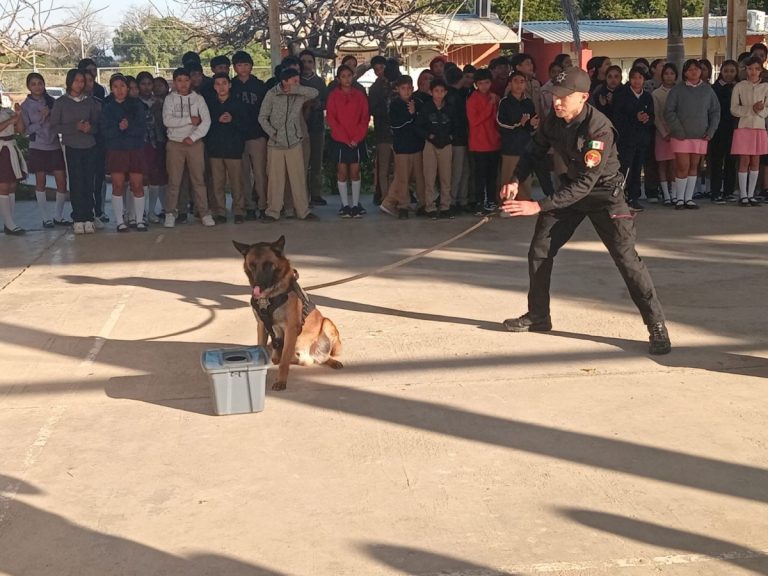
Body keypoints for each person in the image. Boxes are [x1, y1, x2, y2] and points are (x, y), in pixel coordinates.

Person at [499, 66, 671, 356]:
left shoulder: (598, 128)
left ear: (583, 97)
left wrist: (538, 205)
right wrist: (516, 179)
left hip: (605, 195)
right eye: (554, 95)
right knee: (540, 250)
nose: (557, 102)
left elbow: (586, 183)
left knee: (627, 261)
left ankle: (656, 326)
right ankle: (539, 315)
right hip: (573, 191)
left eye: (564, 97)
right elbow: (533, 150)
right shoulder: (554, 119)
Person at [258, 67, 319, 222]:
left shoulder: (300, 94)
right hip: (275, 143)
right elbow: (262, 117)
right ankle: (272, 211)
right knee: (275, 179)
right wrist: (273, 133)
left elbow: (314, 93)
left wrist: (298, 89)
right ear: (284, 81)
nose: (297, 83)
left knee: (298, 177)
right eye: (294, 80)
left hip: (294, 141)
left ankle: (303, 211)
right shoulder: (271, 94)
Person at [664, 59, 720, 209]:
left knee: (694, 166)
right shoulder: (677, 90)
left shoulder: (707, 89)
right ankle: (679, 199)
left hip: (700, 135)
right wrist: (678, 129)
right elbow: (669, 111)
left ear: (701, 71)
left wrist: (710, 131)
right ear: (685, 73)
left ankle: (688, 198)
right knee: (683, 166)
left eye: (696, 69)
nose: (693, 72)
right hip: (680, 136)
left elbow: (715, 111)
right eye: (690, 69)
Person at [50, 68, 101, 234]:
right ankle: (78, 217)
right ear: (69, 82)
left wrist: (90, 128)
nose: (79, 84)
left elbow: (98, 125)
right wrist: (74, 127)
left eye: (82, 81)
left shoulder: (91, 102)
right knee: (76, 182)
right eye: (76, 81)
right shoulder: (61, 103)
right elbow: (54, 126)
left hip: (89, 146)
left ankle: (89, 216)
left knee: (89, 183)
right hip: (72, 146)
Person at [162, 67, 213, 228]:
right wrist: (189, 120)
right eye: (179, 81)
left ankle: (204, 213)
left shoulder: (198, 99)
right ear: (174, 82)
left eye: (186, 80)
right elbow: (167, 121)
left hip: (195, 144)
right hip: (175, 144)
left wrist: (193, 137)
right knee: (174, 181)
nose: (183, 84)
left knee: (198, 180)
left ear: (190, 81)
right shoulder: (169, 99)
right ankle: (170, 212)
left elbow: (206, 121)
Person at [19, 72, 70, 228]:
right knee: (40, 181)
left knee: (61, 180)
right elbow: (25, 130)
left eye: (39, 83)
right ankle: (45, 217)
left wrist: (52, 115)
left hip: (54, 145)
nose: (37, 87)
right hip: (38, 147)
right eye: (33, 84)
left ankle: (58, 216)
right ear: (28, 87)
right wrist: (42, 119)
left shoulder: (52, 102)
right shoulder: (25, 106)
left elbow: (61, 121)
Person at [102, 74, 147, 232]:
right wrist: (119, 128)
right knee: (118, 185)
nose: (119, 90)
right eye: (115, 86)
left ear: (128, 88)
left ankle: (139, 220)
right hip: (116, 149)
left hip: (135, 147)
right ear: (111, 89)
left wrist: (129, 127)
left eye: (122, 86)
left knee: (137, 184)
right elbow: (105, 130)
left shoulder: (137, 105)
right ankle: (120, 221)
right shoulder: (107, 108)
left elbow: (142, 127)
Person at [326, 64, 369, 218]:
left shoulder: (360, 95)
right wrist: (345, 138)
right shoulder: (333, 96)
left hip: (356, 140)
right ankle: (345, 205)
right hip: (340, 140)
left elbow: (365, 118)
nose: (347, 79)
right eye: (343, 76)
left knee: (355, 172)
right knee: (342, 172)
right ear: (338, 78)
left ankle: (356, 205)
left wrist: (357, 138)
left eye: (349, 76)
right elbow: (331, 118)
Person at [379, 75, 425, 219]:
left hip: (417, 145)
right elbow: (396, 125)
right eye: (403, 88)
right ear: (397, 89)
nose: (406, 91)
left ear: (413, 88)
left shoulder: (417, 102)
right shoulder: (395, 104)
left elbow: (422, 121)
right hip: (402, 147)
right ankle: (403, 206)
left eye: (409, 88)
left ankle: (422, 204)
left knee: (419, 176)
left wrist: (415, 113)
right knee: (403, 177)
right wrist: (411, 115)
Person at [230, 50, 268, 221]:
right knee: (243, 174)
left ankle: (263, 205)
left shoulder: (260, 85)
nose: (243, 68)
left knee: (260, 174)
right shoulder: (231, 86)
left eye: (246, 65)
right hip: (238, 137)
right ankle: (249, 206)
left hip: (257, 135)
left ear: (251, 66)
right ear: (234, 67)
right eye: (239, 65)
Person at [206, 73, 247, 222]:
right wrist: (217, 120)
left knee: (236, 182)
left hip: (234, 148)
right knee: (217, 183)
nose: (221, 87)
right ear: (214, 87)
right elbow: (205, 125)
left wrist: (233, 119)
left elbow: (245, 125)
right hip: (215, 148)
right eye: (218, 84)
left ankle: (239, 211)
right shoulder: (209, 103)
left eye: (224, 83)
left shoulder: (238, 103)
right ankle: (220, 212)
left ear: (229, 85)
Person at [613, 66, 655, 212]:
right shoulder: (622, 94)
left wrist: (646, 118)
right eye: (634, 77)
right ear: (629, 79)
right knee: (625, 168)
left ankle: (634, 197)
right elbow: (617, 117)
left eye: (640, 78)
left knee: (637, 169)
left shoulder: (647, 97)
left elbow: (652, 116)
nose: (637, 81)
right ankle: (620, 197)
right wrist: (634, 117)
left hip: (641, 139)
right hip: (626, 139)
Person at [730, 56, 768, 207]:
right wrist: (750, 109)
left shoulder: (765, 87)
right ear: (745, 69)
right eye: (750, 68)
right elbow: (733, 109)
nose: (753, 72)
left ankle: (751, 194)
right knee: (744, 160)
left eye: (757, 69)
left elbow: (767, 110)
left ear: (761, 70)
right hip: (744, 126)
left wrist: (760, 110)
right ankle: (743, 195)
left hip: (759, 127)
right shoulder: (739, 86)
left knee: (755, 161)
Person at [417, 77, 456, 219]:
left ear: (445, 92)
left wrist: (451, 137)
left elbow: (456, 126)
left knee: (446, 176)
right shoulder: (426, 108)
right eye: (436, 91)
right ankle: (430, 207)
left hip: (446, 145)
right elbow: (418, 127)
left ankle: (445, 206)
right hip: (430, 145)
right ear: (430, 92)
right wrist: (429, 136)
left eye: (441, 91)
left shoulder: (450, 108)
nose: (439, 94)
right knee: (429, 176)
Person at [497, 71, 538, 200]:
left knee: (525, 177)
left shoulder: (528, 103)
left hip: (525, 145)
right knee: (508, 177)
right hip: (510, 146)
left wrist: (532, 124)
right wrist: (519, 124)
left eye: (522, 81)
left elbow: (530, 126)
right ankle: (506, 204)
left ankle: (524, 201)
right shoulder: (504, 102)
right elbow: (501, 123)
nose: (519, 85)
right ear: (509, 84)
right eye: (515, 81)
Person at [467, 68, 501, 215]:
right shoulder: (472, 99)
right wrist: (490, 105)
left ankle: (491, 201)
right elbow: (474, 121)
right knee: (479, 176)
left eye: (487, 82)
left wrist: (494, 103)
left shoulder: (495, 98)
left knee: (492, 175)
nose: (484, 86)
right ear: (476, 84)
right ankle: (479, 202)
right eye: (481, 83)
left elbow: (498, 119)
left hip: (494, 142)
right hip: (479, 144)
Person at [299, 50, 329, 206]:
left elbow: (326, 101)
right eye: (303, 61)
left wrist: (318, 104)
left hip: (317, 126)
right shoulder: (297, 81)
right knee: (302, 163)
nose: (306, 64)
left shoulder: (319, 81)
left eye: (309, 61)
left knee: (316, 162)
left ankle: (316, 193)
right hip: (301, 127)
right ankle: (303, 195)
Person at [708, 60, 738, 205]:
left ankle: (729, 191)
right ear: (721, 72)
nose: (729, 74)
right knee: (717, 162)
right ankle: (715, 193)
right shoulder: (714, 88)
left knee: (731, 162)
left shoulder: (739, 87)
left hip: (734, 129)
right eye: (726, 71)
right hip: (718, 130)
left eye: (732, 71)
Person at [652, 63, 679, 206]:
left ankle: (674, 194)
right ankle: (666, 195)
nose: (669, 76)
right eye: (666, 73)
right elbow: (655, 115)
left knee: (674, 165)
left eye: (672, 73)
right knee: (662, 165)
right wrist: (664, 132)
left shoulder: (680, 91)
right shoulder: (656, 93)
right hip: (661, 133)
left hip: (677, 133)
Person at [368, 55, 393, 205]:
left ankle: (397, 196)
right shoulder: (374, 88)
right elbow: (373, 109)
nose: (380, 72)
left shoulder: (396, 84)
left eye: (382, 68)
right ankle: (384, 198)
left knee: (397, 170)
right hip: (383, 133)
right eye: (376, 69)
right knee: (383, 169)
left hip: (398, 133)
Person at [446, 65, 471, 212]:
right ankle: (454, 201)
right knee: (458, 170)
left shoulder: (451, 94)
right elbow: (458, 119)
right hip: (458, 138)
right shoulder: (455, 96)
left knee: (461, 170)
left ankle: (460, 200)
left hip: (458, 138)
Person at [0, 102, 26, 235]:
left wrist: (18, 115)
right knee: (3, 186)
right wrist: (11, 120)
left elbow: (20, 130)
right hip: (1, 148)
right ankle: (10, 224)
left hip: (10, 147)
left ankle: (9, 222)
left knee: (11, 186)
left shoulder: (7, 111)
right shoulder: (7, 115)